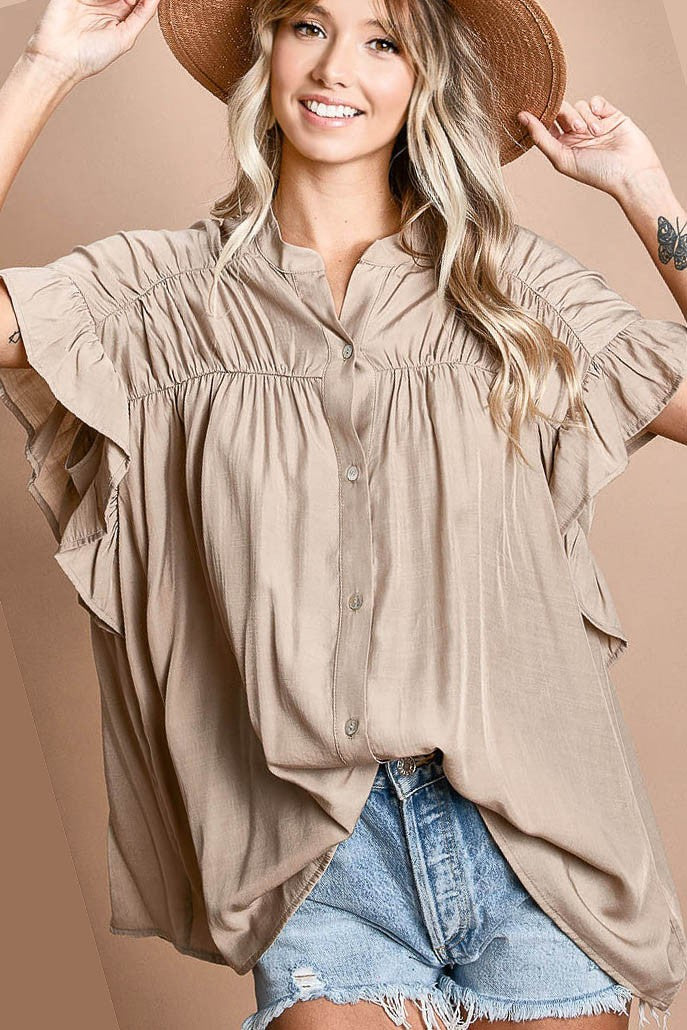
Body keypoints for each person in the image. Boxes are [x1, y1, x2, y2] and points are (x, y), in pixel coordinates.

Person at [0, 1, 685, 1028]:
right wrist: (43, 68)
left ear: (423, 79)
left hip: (540, 838)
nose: (334, 69)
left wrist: (645, 191)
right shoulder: (161, 300)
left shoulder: (507, 290)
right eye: (308, 26)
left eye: (382, 40)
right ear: (267, 50)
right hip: (317, 854)